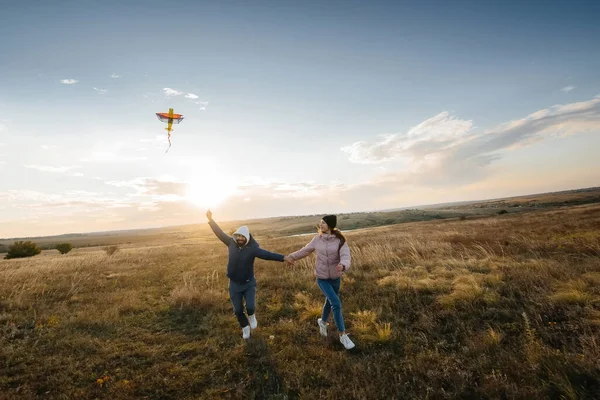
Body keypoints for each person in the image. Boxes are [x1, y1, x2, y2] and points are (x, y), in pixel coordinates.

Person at [206, 209, 294, 339]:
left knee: (251, 306)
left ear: (247, 238)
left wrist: (284, 258)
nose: (240, 239)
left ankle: (252, 315)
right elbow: (219, 233)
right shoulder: (231, 243)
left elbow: (267, 255)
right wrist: (211, 220)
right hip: (234, 284)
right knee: (237, 310)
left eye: (243, 237)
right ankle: (245, 328)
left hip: (248, 283)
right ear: (235, 236)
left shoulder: (252, 249)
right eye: (238, 236)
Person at [287, 214, 355, 349]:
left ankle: (323, 322)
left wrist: (343, 265)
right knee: (335, 302)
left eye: (323, 223)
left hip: (336, 277)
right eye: (320, 223)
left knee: (329, 302)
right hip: (322, 278)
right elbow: (305, 251)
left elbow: (346, 255)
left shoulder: (340, 240)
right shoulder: (317, 239)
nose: (321, 225)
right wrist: (291, 257)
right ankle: (343, 335)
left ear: (330, 225)